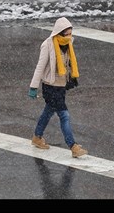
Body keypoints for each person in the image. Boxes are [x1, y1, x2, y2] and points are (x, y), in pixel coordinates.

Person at [28, 17, 88, 158]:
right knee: (64, 115)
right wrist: (33, 87)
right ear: (59, 33)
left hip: (61, 87)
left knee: (48, 112)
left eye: (70, 34)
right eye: (66, 34)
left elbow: (68, 65)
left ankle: (37, 137)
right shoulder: (48, 45)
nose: (69, 37)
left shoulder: (69, 44)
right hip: (50, 87)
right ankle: (73, 146)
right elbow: (40, 67)